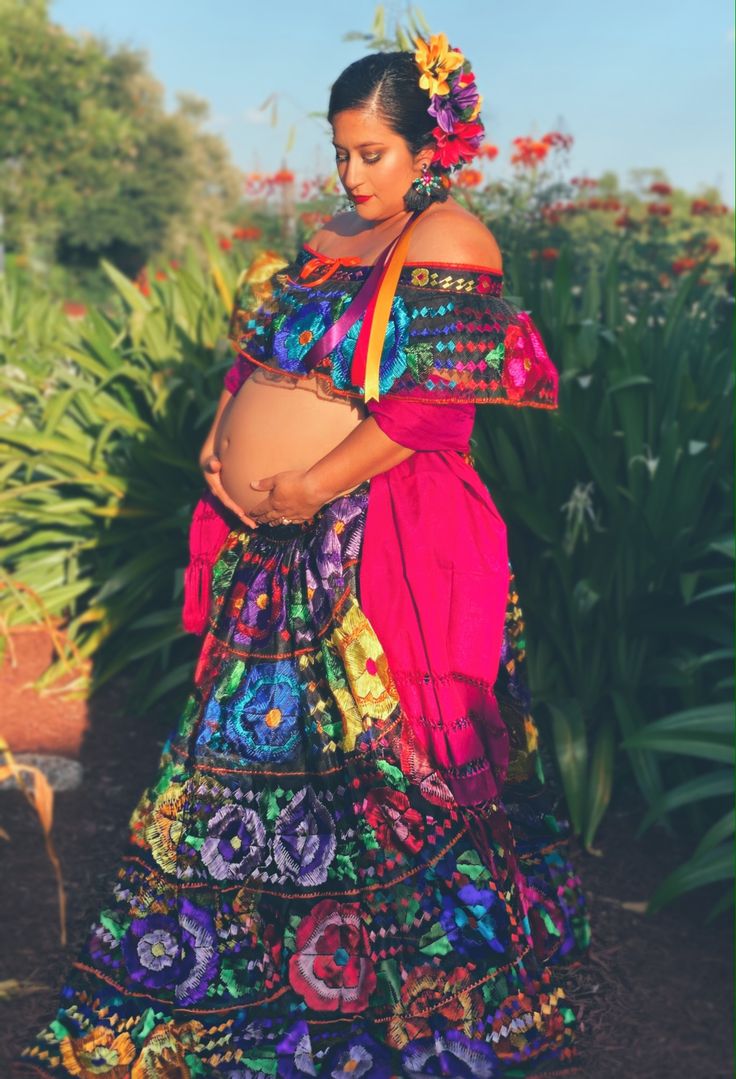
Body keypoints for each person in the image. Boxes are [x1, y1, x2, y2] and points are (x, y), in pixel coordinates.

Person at [18, 38, 591, 1078]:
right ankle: (230, 987)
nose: (353, 176)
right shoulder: (332, 236)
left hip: (369, 542)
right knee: (242, 773)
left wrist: (310, 485)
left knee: (378, 777)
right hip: (273, 545)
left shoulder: (449, 236)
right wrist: (220, 427)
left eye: (373, 153)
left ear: (430, 147)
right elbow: (263, 351)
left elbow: (430, 408)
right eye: (342, 154)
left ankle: (399, 1013)